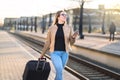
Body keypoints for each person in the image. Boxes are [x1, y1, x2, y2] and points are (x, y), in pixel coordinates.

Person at [40, 10, 78, 80]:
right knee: (59, 70)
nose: (65, 16)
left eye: (65, 15)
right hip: (55, 53)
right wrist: (42, 55)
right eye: (63, 14)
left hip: (65, 53)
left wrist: (73, 38)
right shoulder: (51, 28)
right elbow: (48, 42)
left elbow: (71, 43)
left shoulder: (69, 28)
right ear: (58, 17)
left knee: (59, 72)